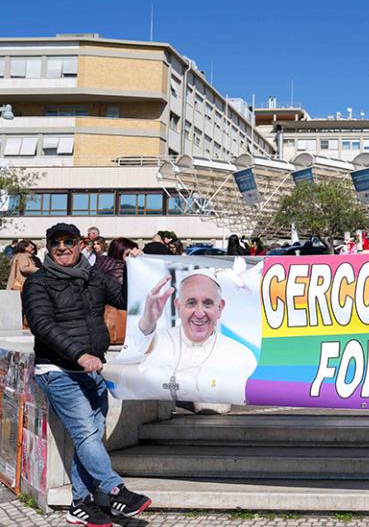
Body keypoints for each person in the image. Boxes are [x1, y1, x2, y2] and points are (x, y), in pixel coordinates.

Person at [21, 223, 151, 526]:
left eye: (69, 241)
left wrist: (134, 266)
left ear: (81, 244)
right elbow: (42, 325)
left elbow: (124, 299)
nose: (62, 247)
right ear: (48, 247)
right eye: (56, 243)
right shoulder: (38, 282)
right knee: (85, 434)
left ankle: (80, 504)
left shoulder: (93, 277)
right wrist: (79, 355)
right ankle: (115, 489)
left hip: (93, 369)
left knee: (89, 437)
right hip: (57, 369)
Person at [103, 270, 257, 404]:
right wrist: (147, 323)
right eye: (191, 303)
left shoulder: (241, 355)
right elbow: (127, 372)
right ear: (178, 306)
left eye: (208, 304)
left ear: (220, 308)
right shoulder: (158, 341)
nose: (199, 313)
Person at [95, 238, 139, 345]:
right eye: (128, 254)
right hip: (116, 323)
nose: (132, 258)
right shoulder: (113, 267)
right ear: (119, 252)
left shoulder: (101, 265)